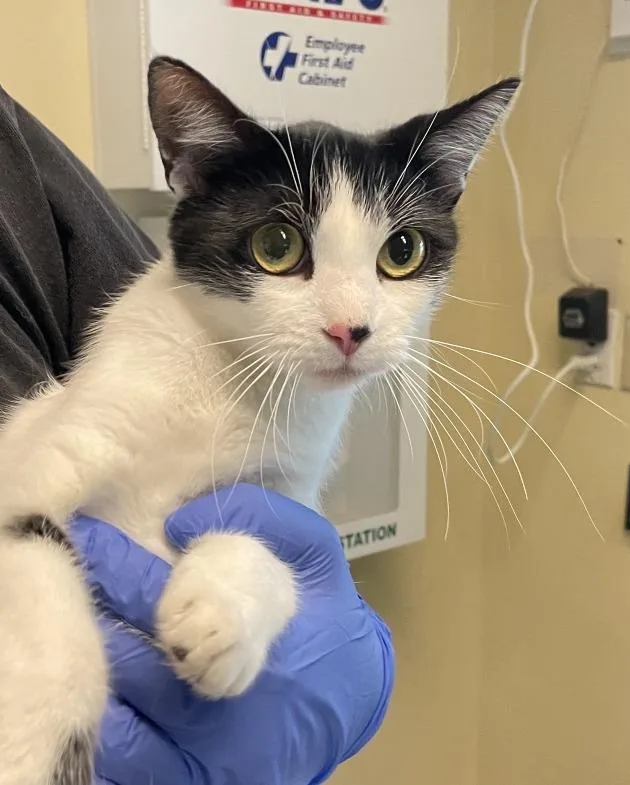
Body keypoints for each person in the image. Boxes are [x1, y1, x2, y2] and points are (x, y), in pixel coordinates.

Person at [0, 84, 394, 784]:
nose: (351, 321)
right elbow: (29, 502)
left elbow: (233, 527)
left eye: (397, 254)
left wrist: (260, 591)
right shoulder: (164, 329)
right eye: (281, 246)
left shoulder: (21, 163)